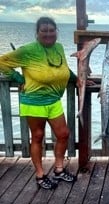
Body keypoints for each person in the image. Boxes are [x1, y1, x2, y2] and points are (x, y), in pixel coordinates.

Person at [0, 17, 77, 189]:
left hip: (54, 100)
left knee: (63, 134)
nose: (48, 34)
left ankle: (59, 169)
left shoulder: (59, 47)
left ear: (56, 31)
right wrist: (18, 78)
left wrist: (77, 79)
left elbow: (63, 68)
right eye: (44, 31)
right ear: (37, 33)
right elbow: (2, 62)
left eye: (51, 31)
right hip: (34, 101)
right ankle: (40, 175)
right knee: (37, 136)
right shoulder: (28, 50)